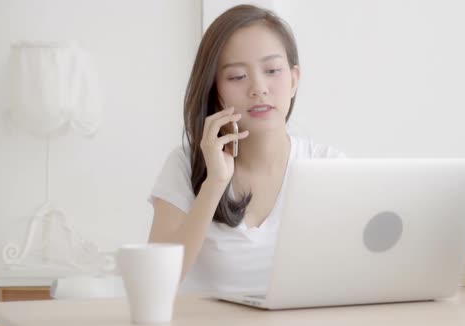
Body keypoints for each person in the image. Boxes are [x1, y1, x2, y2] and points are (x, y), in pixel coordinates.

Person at [148, 4, 345, 294]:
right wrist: (214, 183)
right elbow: (156, 283)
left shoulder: (330, 168)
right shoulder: (185, 166)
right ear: (215, 90)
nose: (258, 87)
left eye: (272, 70)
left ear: (294, 80)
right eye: (238, 76)